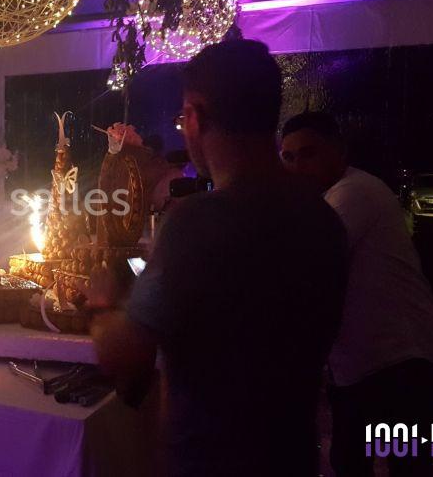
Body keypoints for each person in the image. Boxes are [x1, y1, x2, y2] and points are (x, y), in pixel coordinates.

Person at [87, 40, 349, 476]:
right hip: (294, 458)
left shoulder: (196, 224)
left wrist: (101, 302)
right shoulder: (325, 222)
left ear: (196, 116)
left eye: (182, 118)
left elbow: (125, 355)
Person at [280, 111, 433, 477]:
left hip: (403, 362)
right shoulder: (329, 200)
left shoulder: (353, 192)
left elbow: (303, 265)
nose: (297, 167)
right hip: (370, 367)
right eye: (288, 157)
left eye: (308, 154)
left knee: (397, 466)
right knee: (360, 462)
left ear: (340, 152)